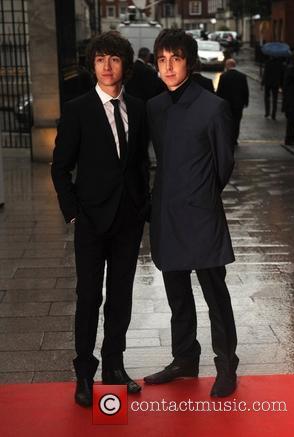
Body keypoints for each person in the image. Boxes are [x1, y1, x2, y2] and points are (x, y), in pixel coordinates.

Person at [51, 31, 150, 407]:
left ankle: (114, 367)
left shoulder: (138, 109)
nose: (107, 67)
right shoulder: (77, 109)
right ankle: (83, 374)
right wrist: (73, 213)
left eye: (114, 59)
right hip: (91, 221)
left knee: (121, 298)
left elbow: (141, 162)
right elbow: (60, 168)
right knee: (89, 297)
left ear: (125, 65)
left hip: (127, 220)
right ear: (92, 65)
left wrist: (143, 205)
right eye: (99, 60)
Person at [143, 29, 239, 398]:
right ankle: (184, 358)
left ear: (190, 61)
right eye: (162, 59)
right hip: (167, 214)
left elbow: (223, 164)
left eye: (175, 58)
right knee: (177, 294)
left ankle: (226, 364)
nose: (168, 67)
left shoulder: (212, 106)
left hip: (202, 215)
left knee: (216, 293)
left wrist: (200, 195)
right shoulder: (154, 107)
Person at [217, 58, 249, 146]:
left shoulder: (223, 76)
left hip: (226, 104)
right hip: (238, 104)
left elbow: (220, 91)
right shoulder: (242, 76)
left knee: (227, 122)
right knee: (236, 122)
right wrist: (246, 102)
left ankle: (227, 138)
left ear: (227, 66)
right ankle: (234, 139)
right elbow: (245, 90)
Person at [282, 50, 294, 146]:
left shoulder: (293, 67)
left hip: (293, 98)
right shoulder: (292, 68)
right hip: (291, 98)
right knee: (291, 119)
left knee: (292, 120)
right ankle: (289, 139)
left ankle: (291, 138)